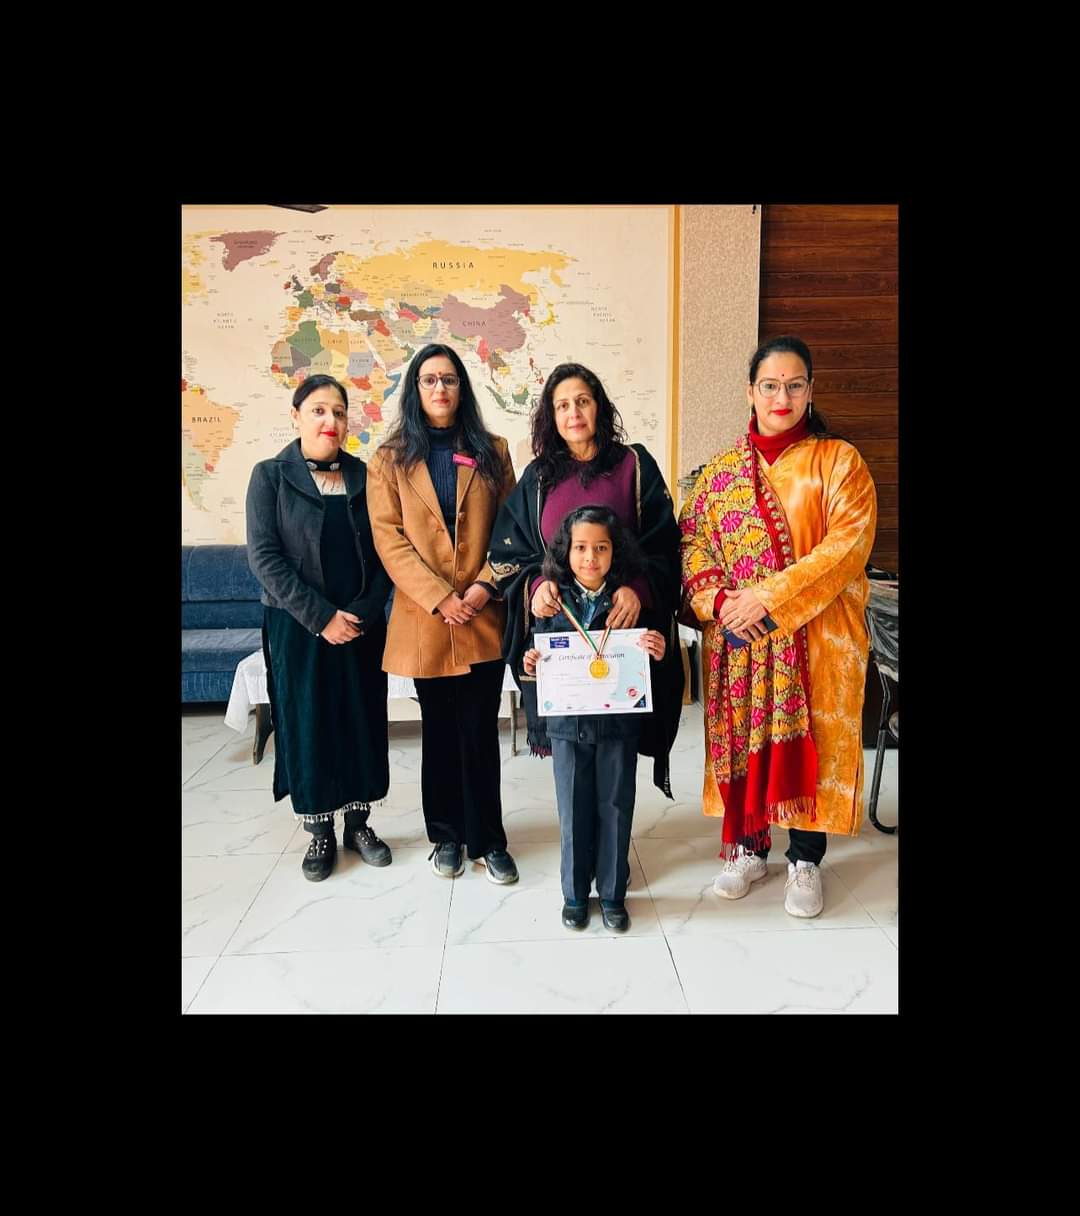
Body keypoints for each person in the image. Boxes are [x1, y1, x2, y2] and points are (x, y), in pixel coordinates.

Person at [679, 335, 877, 918]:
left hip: (814, 638)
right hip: (739, 641)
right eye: (770, 385)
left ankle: (805, 858)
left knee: (810, 738)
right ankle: (749, 847)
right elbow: (692, 542)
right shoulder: (719, 474)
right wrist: (719, 600)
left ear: (811, 391)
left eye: (794, 385)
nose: (781, 397)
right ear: (751, 392)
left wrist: (766, 598)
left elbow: (846, 549)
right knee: (745, 736)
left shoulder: (839, 463)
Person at [486, 362, 683, 793]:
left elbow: (666, 544)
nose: (573, 413)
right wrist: (535, 587)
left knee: (617, 757)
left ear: (599, 407)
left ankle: (614, 837)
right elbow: (509, 552)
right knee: (571, 759)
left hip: (621, 632)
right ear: (551, 417)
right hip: (563, 639)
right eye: (562, 406)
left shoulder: (633, 465)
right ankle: (577, 838)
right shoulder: (538, 478)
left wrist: (639, 589)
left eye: (582, 401)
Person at [366, 343, 520, 884]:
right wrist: (438, 596)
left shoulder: (492, 451)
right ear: (415, 388)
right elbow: (389, 540)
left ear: (461, 388)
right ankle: (447, 837)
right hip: (426, 619)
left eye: (449, 379)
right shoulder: (389, 459)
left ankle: (489, 840)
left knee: (480, 731)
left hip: (482, 614)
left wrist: (483, 585)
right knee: (439, 732)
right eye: (429, 379)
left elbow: (512, 531)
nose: (439, 388)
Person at [245, 374, 393, 882]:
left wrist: (364, 611)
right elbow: (265, 558)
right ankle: (319, 830)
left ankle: (360, 824)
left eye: (339, 412)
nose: (331, 421)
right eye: (319, 410)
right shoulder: (270, 476)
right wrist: (321, 617)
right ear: (296, 416)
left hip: (361, 624)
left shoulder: (365, 476)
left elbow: (386, 552)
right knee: (308, 722)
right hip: (297, 626)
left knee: (361, 719)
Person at [522, 507, 667, 932]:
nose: (590, 558)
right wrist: (530, 662)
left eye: (601, 548)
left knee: (616, 806)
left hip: (618, 726)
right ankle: (573, 894)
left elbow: (650, 653)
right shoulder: (552, 602)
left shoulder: (627, 602)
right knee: (572, 808)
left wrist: (657, 649)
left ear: (614, 551)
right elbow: (533, 651)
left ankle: (613, 894)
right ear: (566, 552)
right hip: (567, 727)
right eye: (581, 548)